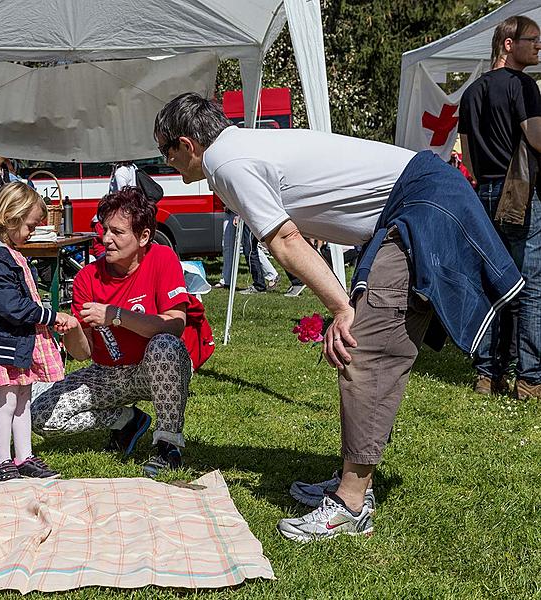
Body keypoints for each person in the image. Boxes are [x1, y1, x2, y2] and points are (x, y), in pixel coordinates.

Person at [154, 92, 522, 541]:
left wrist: (341, 309)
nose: (168, 163)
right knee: (364, 344)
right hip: (414, 203)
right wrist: (343, 303)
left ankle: (350, 503)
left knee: (362, 349)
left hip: (420, 204)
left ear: (187, 144)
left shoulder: (227, 164)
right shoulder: (241, 149)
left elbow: (285, 242)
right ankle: (354, 482)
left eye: (166, 151)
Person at [31, 186, 194, 478]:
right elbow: (82, 354)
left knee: (166, 346)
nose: (106, 239)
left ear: (144, 236)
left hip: (153, 369)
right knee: (41, 417)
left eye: (117, 232)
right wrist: (70, 330)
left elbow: (175, 325)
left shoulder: (162, 258)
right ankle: (127, 421)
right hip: (107, 373)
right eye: (104, 229)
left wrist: (116, 315)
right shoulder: (86, 277)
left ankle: (168, 445)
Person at [0, 182, 77, 481]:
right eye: (30, 226)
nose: (31, 232)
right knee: (7, 400)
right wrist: (50, 316)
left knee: (23, 398)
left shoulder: (8, 253)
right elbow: (12, 307)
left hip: (19, 339)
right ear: (12, 218)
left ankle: (24, 456)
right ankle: (3, 462)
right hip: (5, 342)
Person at [458, 16, 541, 400]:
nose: (538, 47)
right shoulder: (524, 86)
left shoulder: (472, 92)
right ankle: (530, 379)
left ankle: (488, 375)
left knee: (492, 285)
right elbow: (537, 138)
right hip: (522, 194)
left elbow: (468, 157)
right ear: (509, 44)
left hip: (485, 193)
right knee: (531, 287)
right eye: (533, 40)